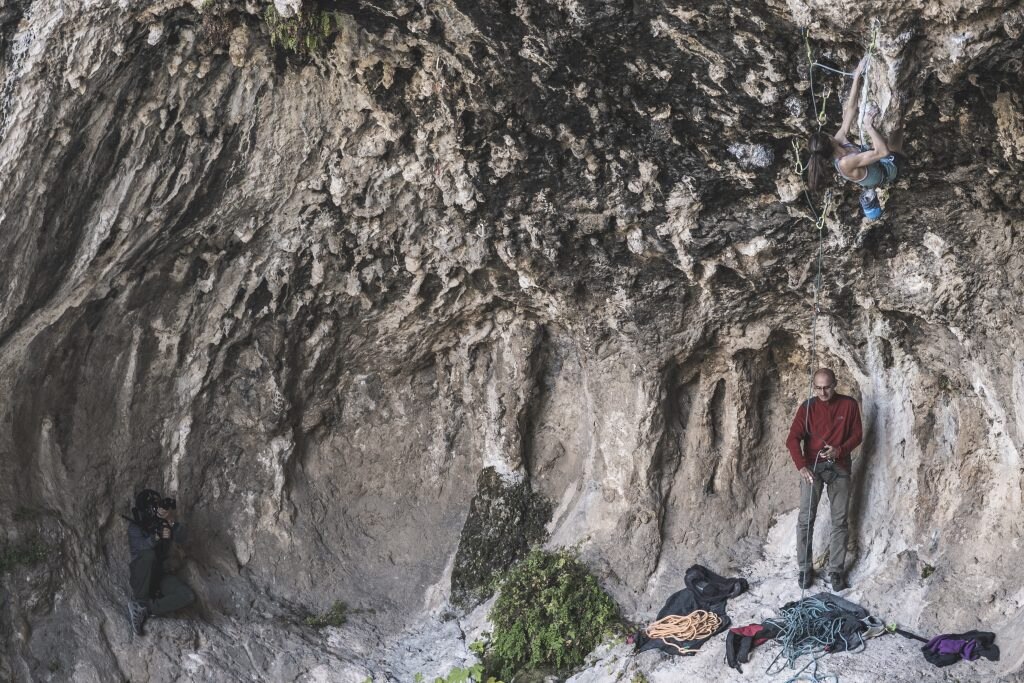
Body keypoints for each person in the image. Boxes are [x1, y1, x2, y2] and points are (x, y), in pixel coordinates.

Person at [786, 369, 863, 591]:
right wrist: (801, 466)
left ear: (835, 384)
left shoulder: (848, 405)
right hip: (813, 467)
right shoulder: (807, 407)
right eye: (818, 388)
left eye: (827, 387)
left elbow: (857, 435)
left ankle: (836, 571)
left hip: (840, 466)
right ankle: (805, 568)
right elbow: (792, 439)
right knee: (805, 518)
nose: (822, 392)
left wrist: (839, 450)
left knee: (840, 520)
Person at [806, 56, 907, 196]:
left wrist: (857, 75)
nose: (829, 134)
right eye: (826, 134)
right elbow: (883, 153)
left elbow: (851, 108)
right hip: (888, 170)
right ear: (829, 140)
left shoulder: (838, 140)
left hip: (877, 162)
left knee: (892, 122)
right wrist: (868, 126)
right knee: (899, 116)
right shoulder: (845, 163)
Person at [126, 489, 194, 636]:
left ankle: (147, 609)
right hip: (141, 576)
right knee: (149, 555)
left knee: (187, 595)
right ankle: (140, 601)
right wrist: (156, 537)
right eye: (153, 507)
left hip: (159, 575)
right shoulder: (135, 527)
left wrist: (171, 522)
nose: (156, 509)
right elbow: (140, 548)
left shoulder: (163, 523)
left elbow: (183, 537)